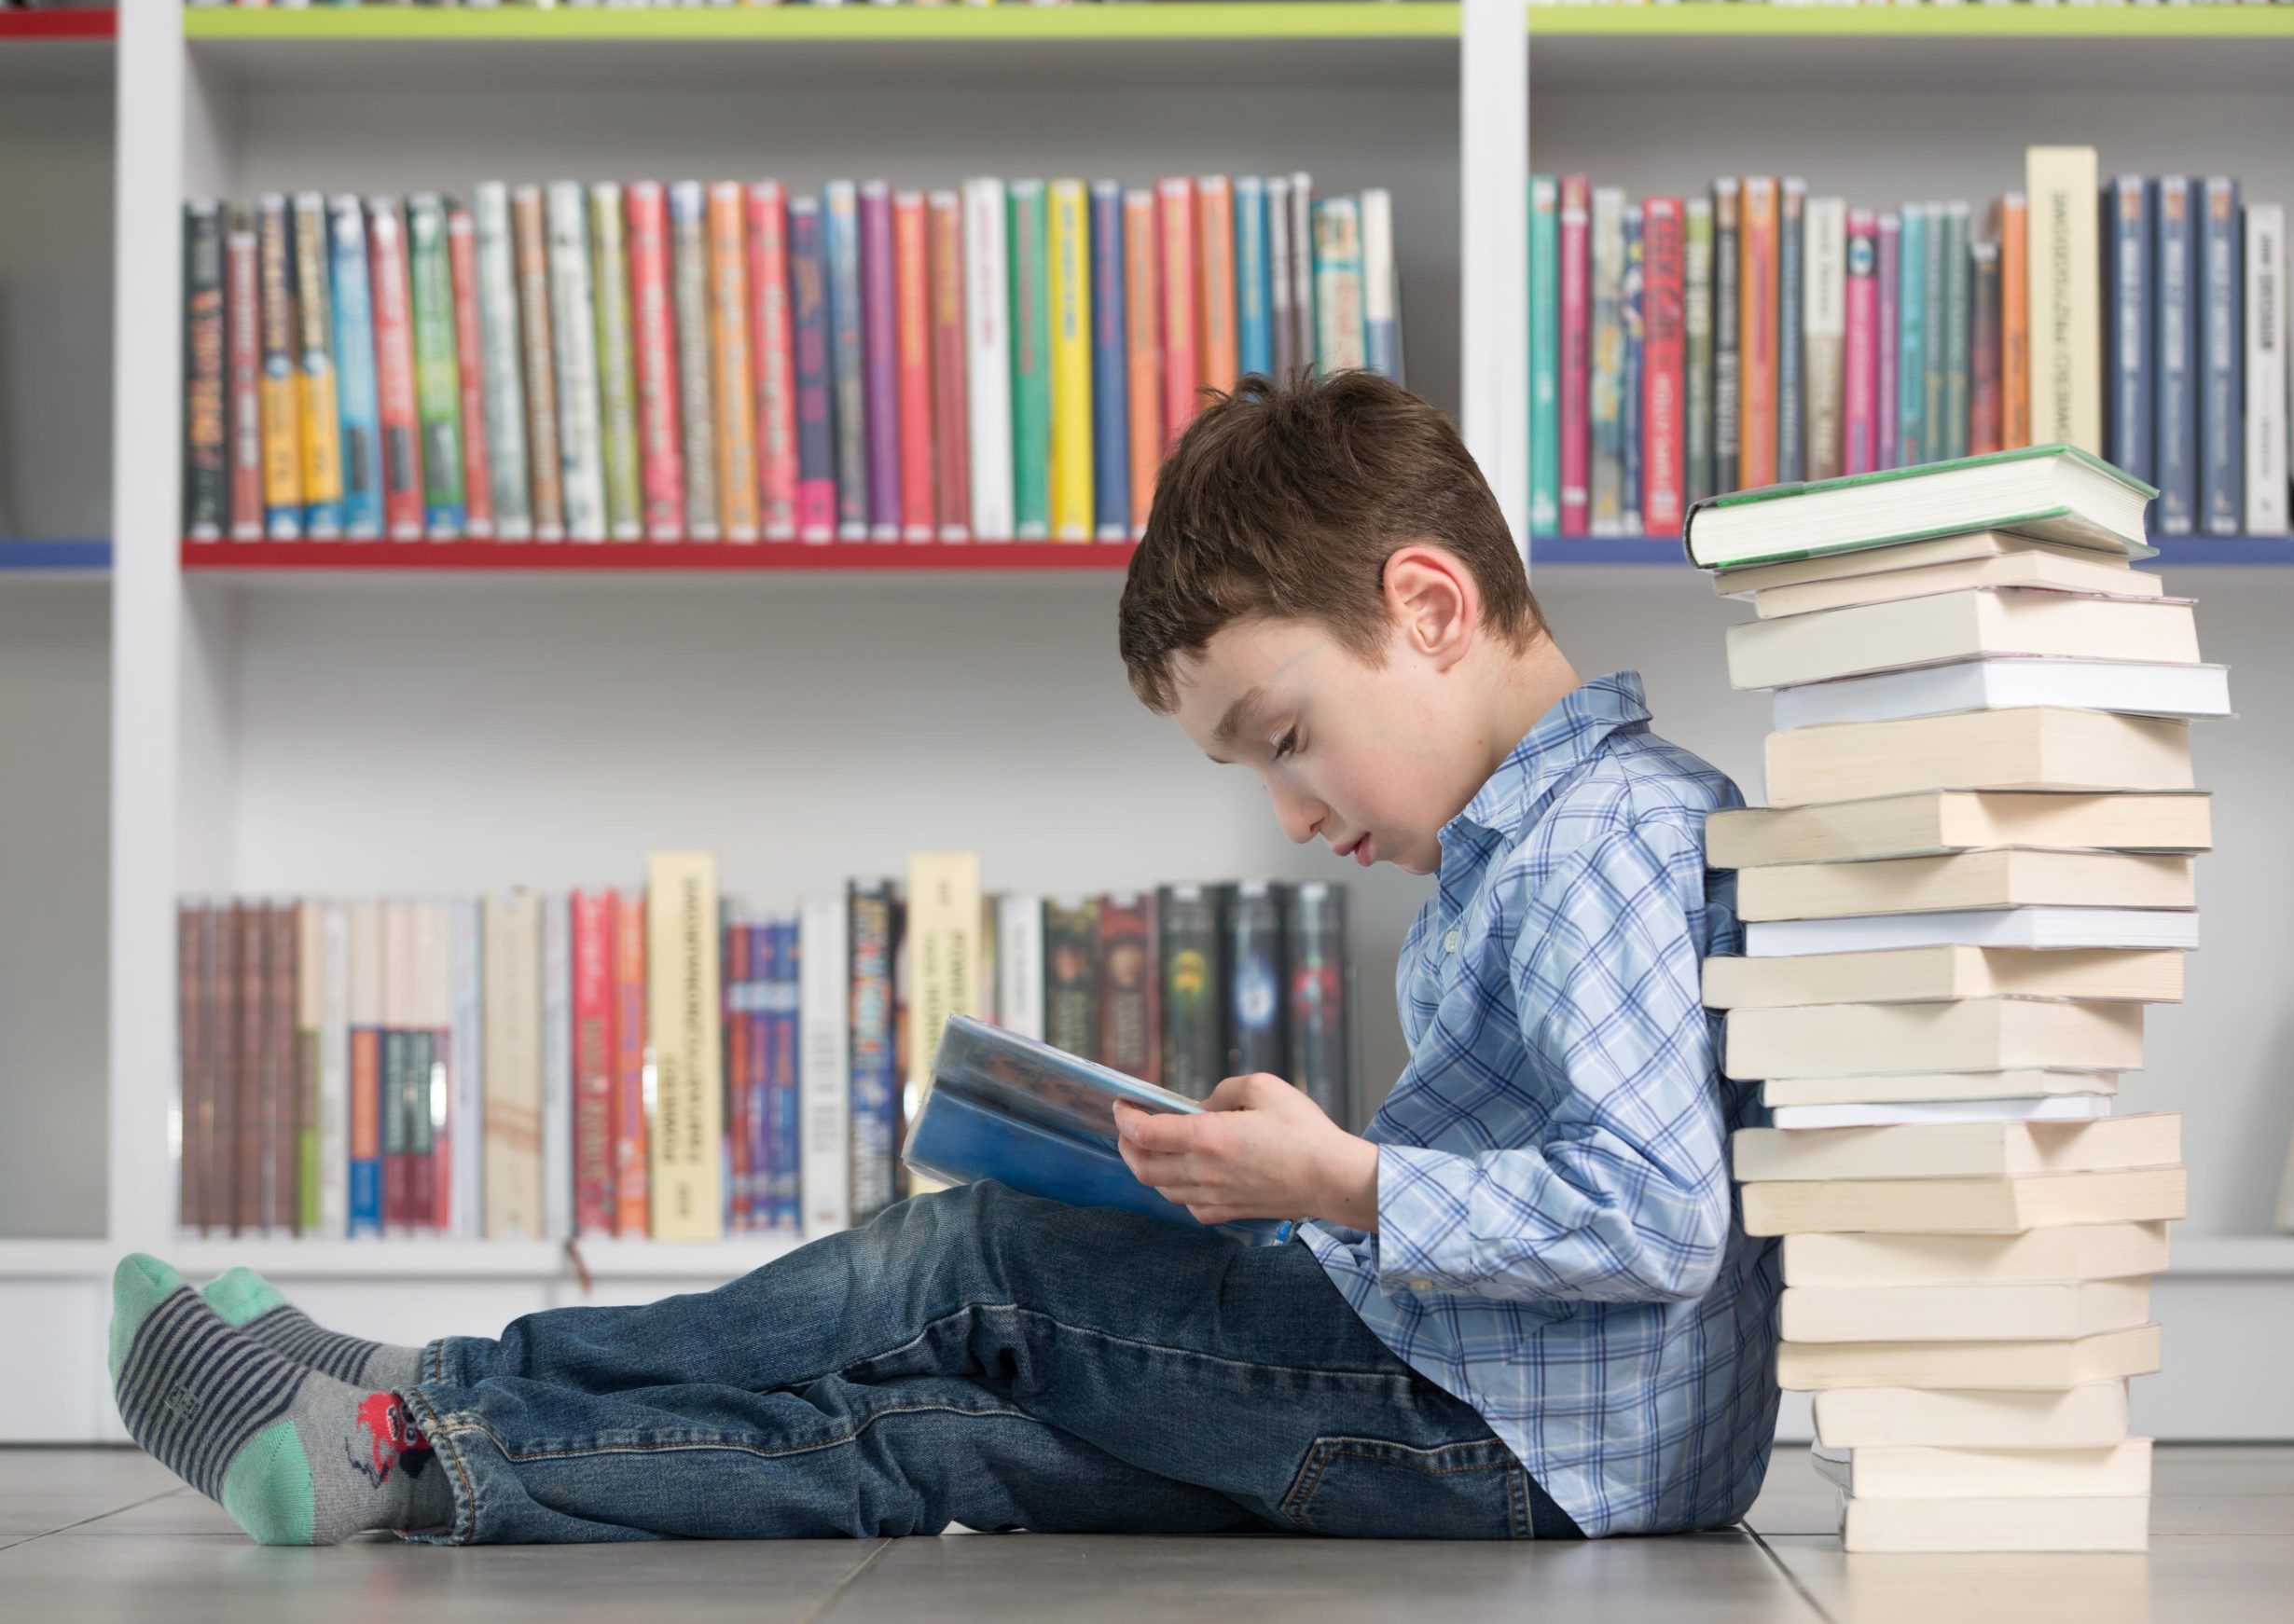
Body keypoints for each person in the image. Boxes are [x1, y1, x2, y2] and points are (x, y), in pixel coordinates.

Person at [104, 370, 1778, 1546]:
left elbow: (1654, 1214)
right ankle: (403, 1467)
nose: (1288, 810)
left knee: (974, 1260)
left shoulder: (1596, 837)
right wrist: (1308, 1175)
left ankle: (435, 1386)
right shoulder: (1543, 837)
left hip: (1503, 1433)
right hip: (1531, 1435)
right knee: (939, 1431)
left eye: (1285, 736)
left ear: (1426, 608)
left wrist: (1345, 1181)